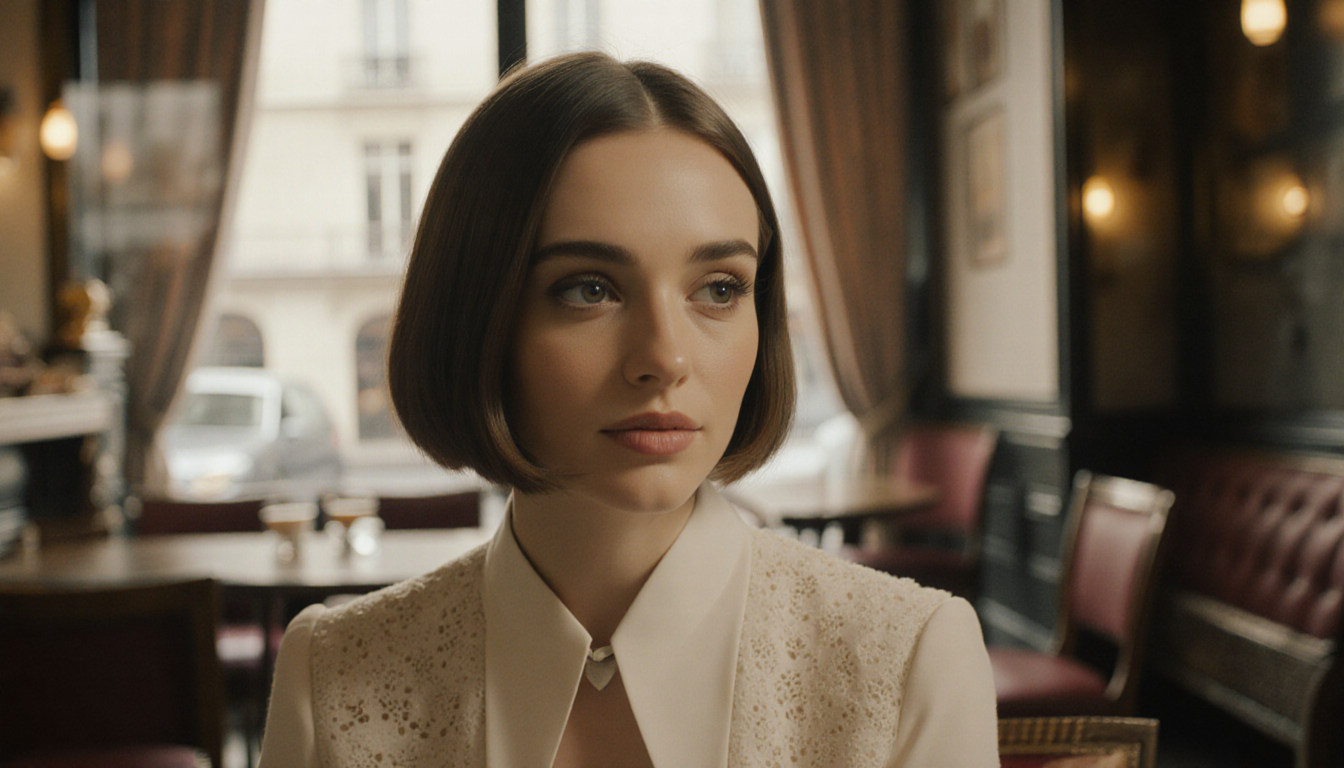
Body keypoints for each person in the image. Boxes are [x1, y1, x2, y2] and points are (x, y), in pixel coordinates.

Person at [258, 52, 998, 768]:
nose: (665, 358)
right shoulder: (332, 678)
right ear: (475, 316)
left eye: (718, 289)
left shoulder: (911, 659)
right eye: (590, 289)